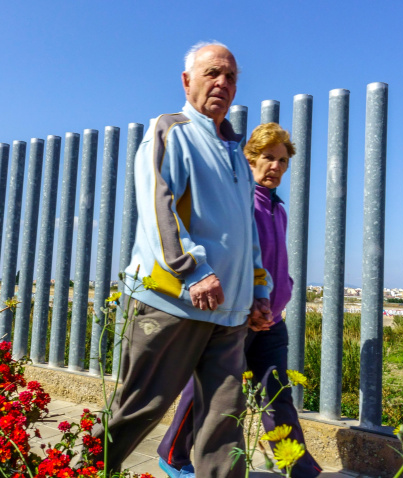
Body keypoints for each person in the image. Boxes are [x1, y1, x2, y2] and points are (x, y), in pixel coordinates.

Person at [94, 41, 272, 478]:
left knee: (223, 425)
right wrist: (195, 271)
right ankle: (87, 470)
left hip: (228, 315)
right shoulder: (171, 130)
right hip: (172, 302)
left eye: (231, 76)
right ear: (186, 80)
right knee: (138, 409)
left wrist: (258, 290)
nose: (223, 83)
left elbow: (244, 233)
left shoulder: (234, 149)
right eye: (213, 73)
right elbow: (159, 207)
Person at [157, 123, 322, 477]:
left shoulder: (277, 209)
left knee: (277, 397)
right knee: (206, 390)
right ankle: (173, 454)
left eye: (281, 160)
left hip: (271, 319)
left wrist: (283, 292)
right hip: (236, 316)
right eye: (267, 158)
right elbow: (233, 256)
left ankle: (299, 468)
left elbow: (277, 262)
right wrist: (246, 303)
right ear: (250, 160)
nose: (275, 166)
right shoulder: (241, 204)